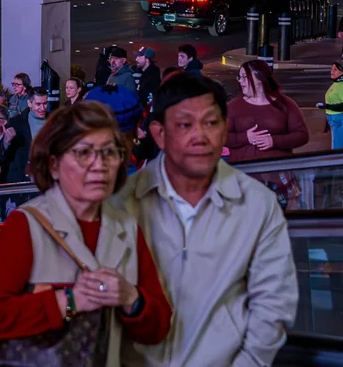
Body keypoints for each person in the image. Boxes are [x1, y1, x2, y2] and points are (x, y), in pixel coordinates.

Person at [0, 102, 172, 363]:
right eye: (84, 153)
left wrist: (131, 298)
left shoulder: (127, 227)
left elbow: (159, 327)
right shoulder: (27, 224)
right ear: (53, 165)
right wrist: (69, 301)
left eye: (110, 152)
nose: (100, 165)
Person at [114, 70, 296, 366]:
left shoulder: (256, 204)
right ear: (159, 134)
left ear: (224, 130)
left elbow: (273, 302)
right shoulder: (124, 204)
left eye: (211, 123)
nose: (200, 136)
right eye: (185, 124)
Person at [225, 60, 308, 163]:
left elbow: (302, 135)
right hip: (244, 172)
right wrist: (245, 137)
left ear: (259, 78)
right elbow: (219, 136)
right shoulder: (234, 106)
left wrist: (274, 141)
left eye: (244, 77)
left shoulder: (285, 104)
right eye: (239, 77)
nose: (240, 81)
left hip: (279, 171)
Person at [3, 87, 49, 183]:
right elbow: (6, 157)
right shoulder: (16, 123)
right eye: (38, 104)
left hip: (47, 180)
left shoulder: (55, 121)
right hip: (22, 181)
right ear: (29, 103)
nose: (42, 108)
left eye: (45, 103)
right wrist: (6, 142)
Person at [320, 61, 343, 149]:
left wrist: (327, 107)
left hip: (341, 121)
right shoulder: (337, 83)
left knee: (337, 149)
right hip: (336, 120)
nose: (332, 71)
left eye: (335, 69)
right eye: (332, 69)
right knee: (337, 147)